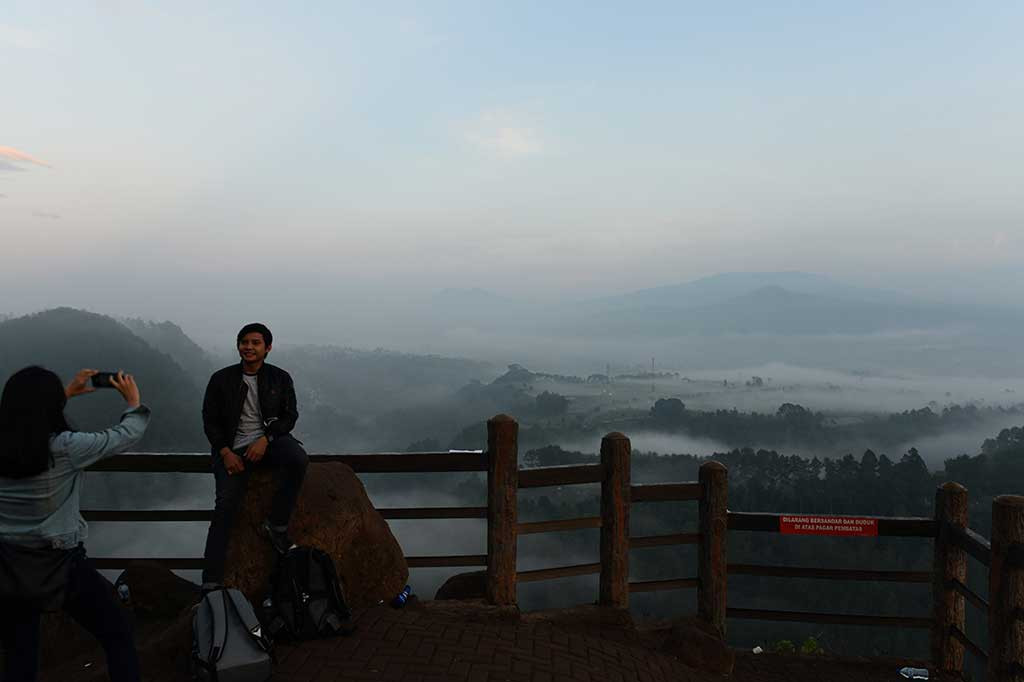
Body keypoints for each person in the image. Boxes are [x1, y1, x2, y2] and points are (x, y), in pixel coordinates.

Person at [0, 366, 149, 682]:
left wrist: (64, 394)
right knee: (117, 633)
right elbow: (125, 435)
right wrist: (133, 401)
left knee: (19, 652)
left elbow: (28, 414)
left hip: (8, 565)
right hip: (60, 564)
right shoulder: (66, 448)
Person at [200, 323, 308, 591]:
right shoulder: (221, 379)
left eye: (255, 343)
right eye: (244, 342)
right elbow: (210, 421)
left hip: (267, 442)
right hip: (231, 449)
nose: (249, 347)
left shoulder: (279, 378)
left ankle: (277, 525)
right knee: (225, 507)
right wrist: (225, 452)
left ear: (267, 348)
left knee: (297, 459)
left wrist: (266, 439)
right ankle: (211, 580)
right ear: (238, 345)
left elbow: (289, 416)